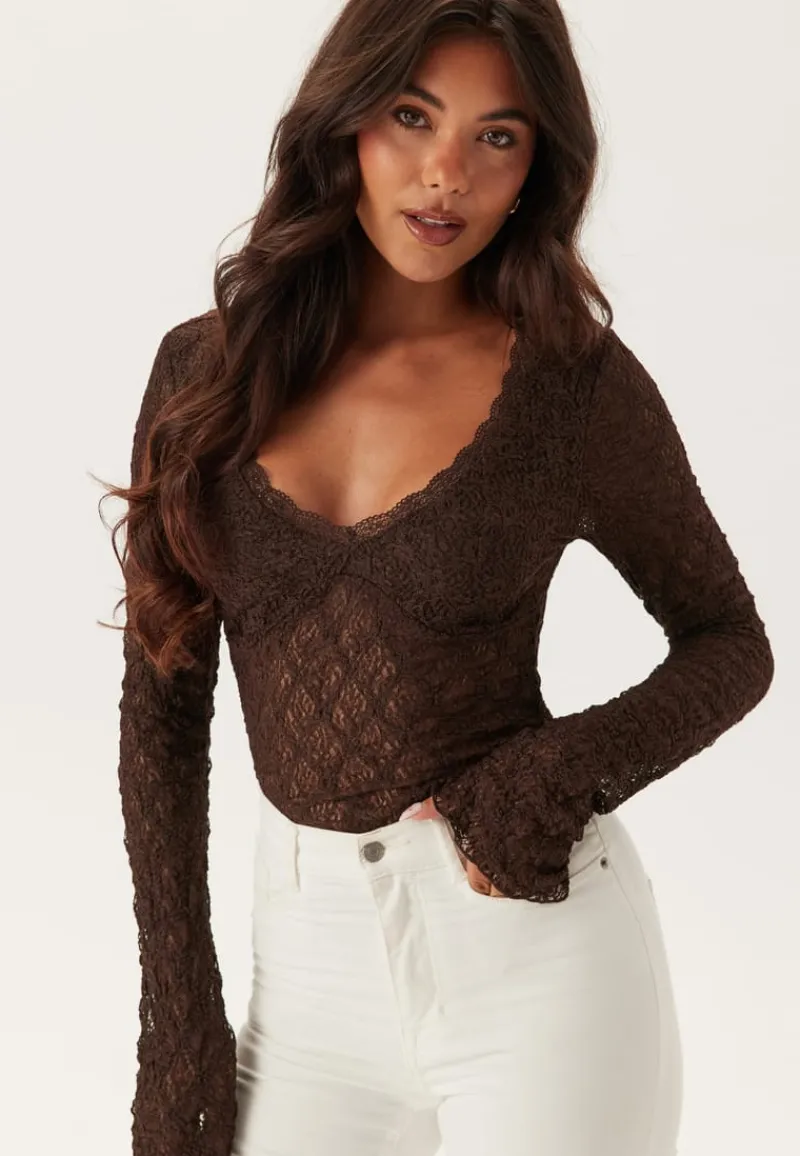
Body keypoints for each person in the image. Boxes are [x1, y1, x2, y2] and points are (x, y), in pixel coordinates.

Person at [103, 2, 775, 1155]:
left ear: (537, 164)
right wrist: (176, 1022)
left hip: (532, 962)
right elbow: (162, 709)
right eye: (412, 117)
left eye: (495, 136)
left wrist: (552, 777)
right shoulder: (204, 373)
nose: (445, 174)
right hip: (302, 978)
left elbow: (726, 638)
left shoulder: (570, 386)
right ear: (345, 120)